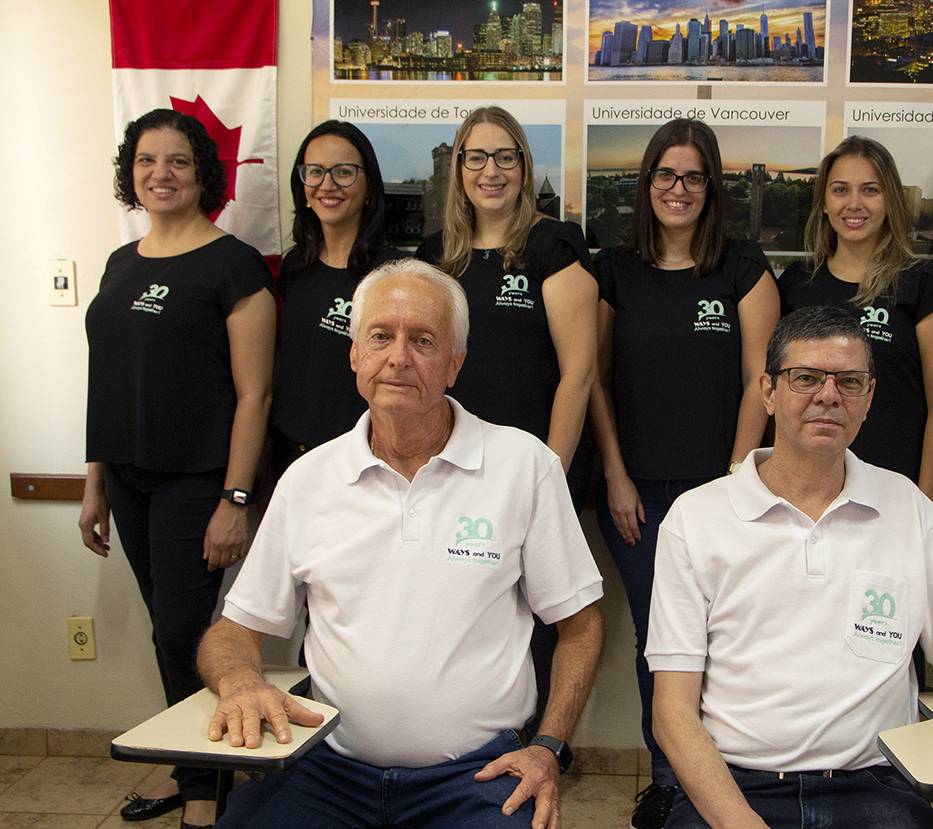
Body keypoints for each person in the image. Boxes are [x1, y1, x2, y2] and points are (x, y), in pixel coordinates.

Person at [197, 259, 604, 829]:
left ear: (455, 364)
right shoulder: (309, 479)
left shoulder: (524, 466)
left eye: (423, 340)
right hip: (327, 770)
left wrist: (550, 748)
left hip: (477, 775)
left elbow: (581, 627)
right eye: (381, 336)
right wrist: (240, 679)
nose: (398, 358)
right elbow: (232, 632)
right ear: (355, 355)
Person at [647, 306, 933, 829]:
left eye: (850, 382)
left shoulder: (909, 509)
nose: (828, 396)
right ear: (768, 391)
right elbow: (672, 713)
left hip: (875, 786)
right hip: (734, 783)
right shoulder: (696, 518)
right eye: (806, 378)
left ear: (869, 398)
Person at [78, 108, 276, 829]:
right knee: (168, 629)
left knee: (185, 631)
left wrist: (236, 495)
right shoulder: (120, 262)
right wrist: (96, 479)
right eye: (146, 162)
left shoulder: (233, 264)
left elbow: (255, 392)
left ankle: (204, 786)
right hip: (126, 474)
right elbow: (107, 377)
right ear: (131, 174)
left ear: (203, 176)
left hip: (197, 478)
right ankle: (193, 760)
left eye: (177, 162)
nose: (160, 174)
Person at [589, 118, 780, 829]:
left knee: (728, 643)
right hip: (636, 494)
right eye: (666, 175)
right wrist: (614, 473)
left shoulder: (742, 265)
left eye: (693, 176)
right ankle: (671, 782)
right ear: (647, 184)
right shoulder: (613, 269)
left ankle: (733, 783)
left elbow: (762, 380)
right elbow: (596, 380)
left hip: (725, 494)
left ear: (711, 187)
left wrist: (737, 481)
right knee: (659, 645)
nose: (678, 188)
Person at [415, 106, 598, 728]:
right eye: (476, 158)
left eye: (505, 157)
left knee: (542, 615)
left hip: (534, 465)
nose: (490, 171)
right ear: (459, 167)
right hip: (450, 467)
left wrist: (549, 472)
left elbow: (579, 373)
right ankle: (465, 737)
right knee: (462, 608)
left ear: (523, 165)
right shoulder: (435, 257)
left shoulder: (553, 244)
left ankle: (542, 744)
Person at [779, 136, 933, 503]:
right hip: (807, 490)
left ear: (890, 200)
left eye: (870, 190)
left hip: (894, 489)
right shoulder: (796, 285)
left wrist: (925, 504)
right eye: (840, 190)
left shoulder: (923, 284)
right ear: (825, 204)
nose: (854, 204)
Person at [270, 120, 402, 478]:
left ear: (369, 186)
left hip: (359, 465)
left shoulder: (393, 275)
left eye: (343, 172)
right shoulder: (295, 266)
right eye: (315, 172)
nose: (327, 185)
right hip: (286, 459)